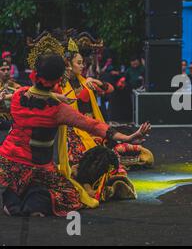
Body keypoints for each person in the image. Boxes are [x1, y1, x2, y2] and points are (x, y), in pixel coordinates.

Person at [0, 39, 150, 217]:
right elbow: (92, 125)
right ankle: (32, 203)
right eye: (78, 63)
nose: (81, 66)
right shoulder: (59, 110)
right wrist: (127, 137)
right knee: (72, 196)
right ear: (59, 77)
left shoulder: (18, 95)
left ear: (35, 74)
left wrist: (54, 95)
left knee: (29, 182)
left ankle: (13, 198)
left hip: (7, 162)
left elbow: (31, 93)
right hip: (40, 165)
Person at [57, 38, 153, 171]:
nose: (82, 66)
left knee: (141, 153)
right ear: (68, 65)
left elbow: (110, 89)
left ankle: (124, 144)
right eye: (79, 63)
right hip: (75, 132)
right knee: (90, 157)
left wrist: (96, 81)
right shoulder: (59, 88)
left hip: (95, 127)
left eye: (82, 63)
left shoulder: (86, 82)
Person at [0, 58, 21, 130]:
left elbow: (21, 96)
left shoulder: (16, 86)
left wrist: (6, 96)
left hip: (10, 118)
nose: (6, 72)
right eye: (3, 70)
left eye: (8, 69)